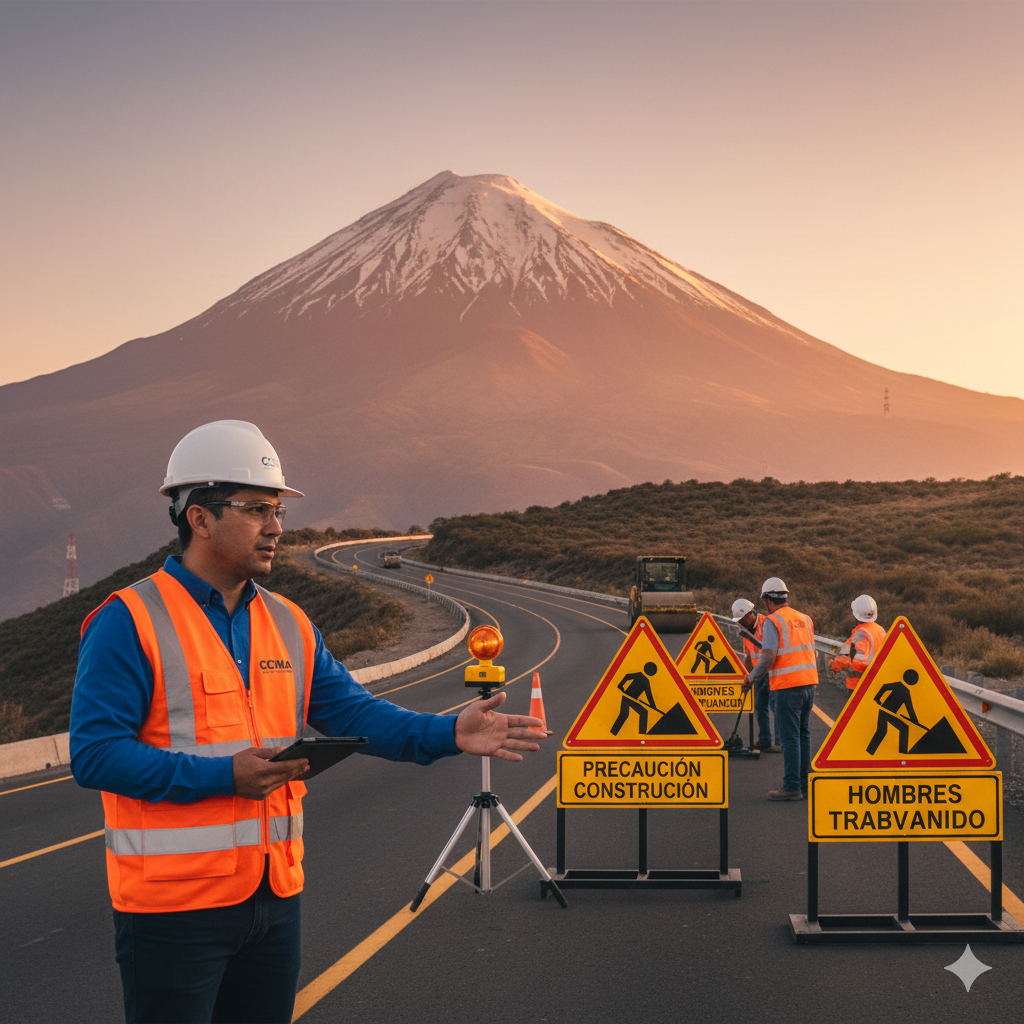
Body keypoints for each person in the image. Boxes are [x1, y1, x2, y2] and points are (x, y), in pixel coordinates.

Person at [69, 420, 546, 1024]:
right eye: (256, 509)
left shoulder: (289, 623)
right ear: (200, 518)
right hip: (172, 912)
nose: (275, 527)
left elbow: (354, 713)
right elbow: (95, 754)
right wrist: (224, 776)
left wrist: (449, 732)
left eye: (278, 511)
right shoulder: (129, 619)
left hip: (274, 900)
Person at [741, 578, 819, 801]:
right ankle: (804, 784)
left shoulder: (772, 621)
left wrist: (751, 678)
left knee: (789, 738)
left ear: (766, 600)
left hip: (787, 687)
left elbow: (768, 656)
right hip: (809, 683)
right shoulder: (805, 618)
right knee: (803, 734)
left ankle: (792, 786)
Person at [734, 598, 779, 752]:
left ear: (749, 615)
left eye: (741, 620)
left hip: (772, 671)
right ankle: (765, 740)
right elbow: (748, 656)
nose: (740, 623)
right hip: (758, 674)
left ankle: (780, 742)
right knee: (760, 706)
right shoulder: (745, 631)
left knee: (776, 706)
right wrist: (748, 677)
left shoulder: (768, 624)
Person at [829, 594, 886, 700]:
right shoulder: (881, 630)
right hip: (877, 683)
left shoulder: (860, 633)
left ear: (856, 614)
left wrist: (835, 665)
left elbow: (850, 658)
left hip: (859, 685)